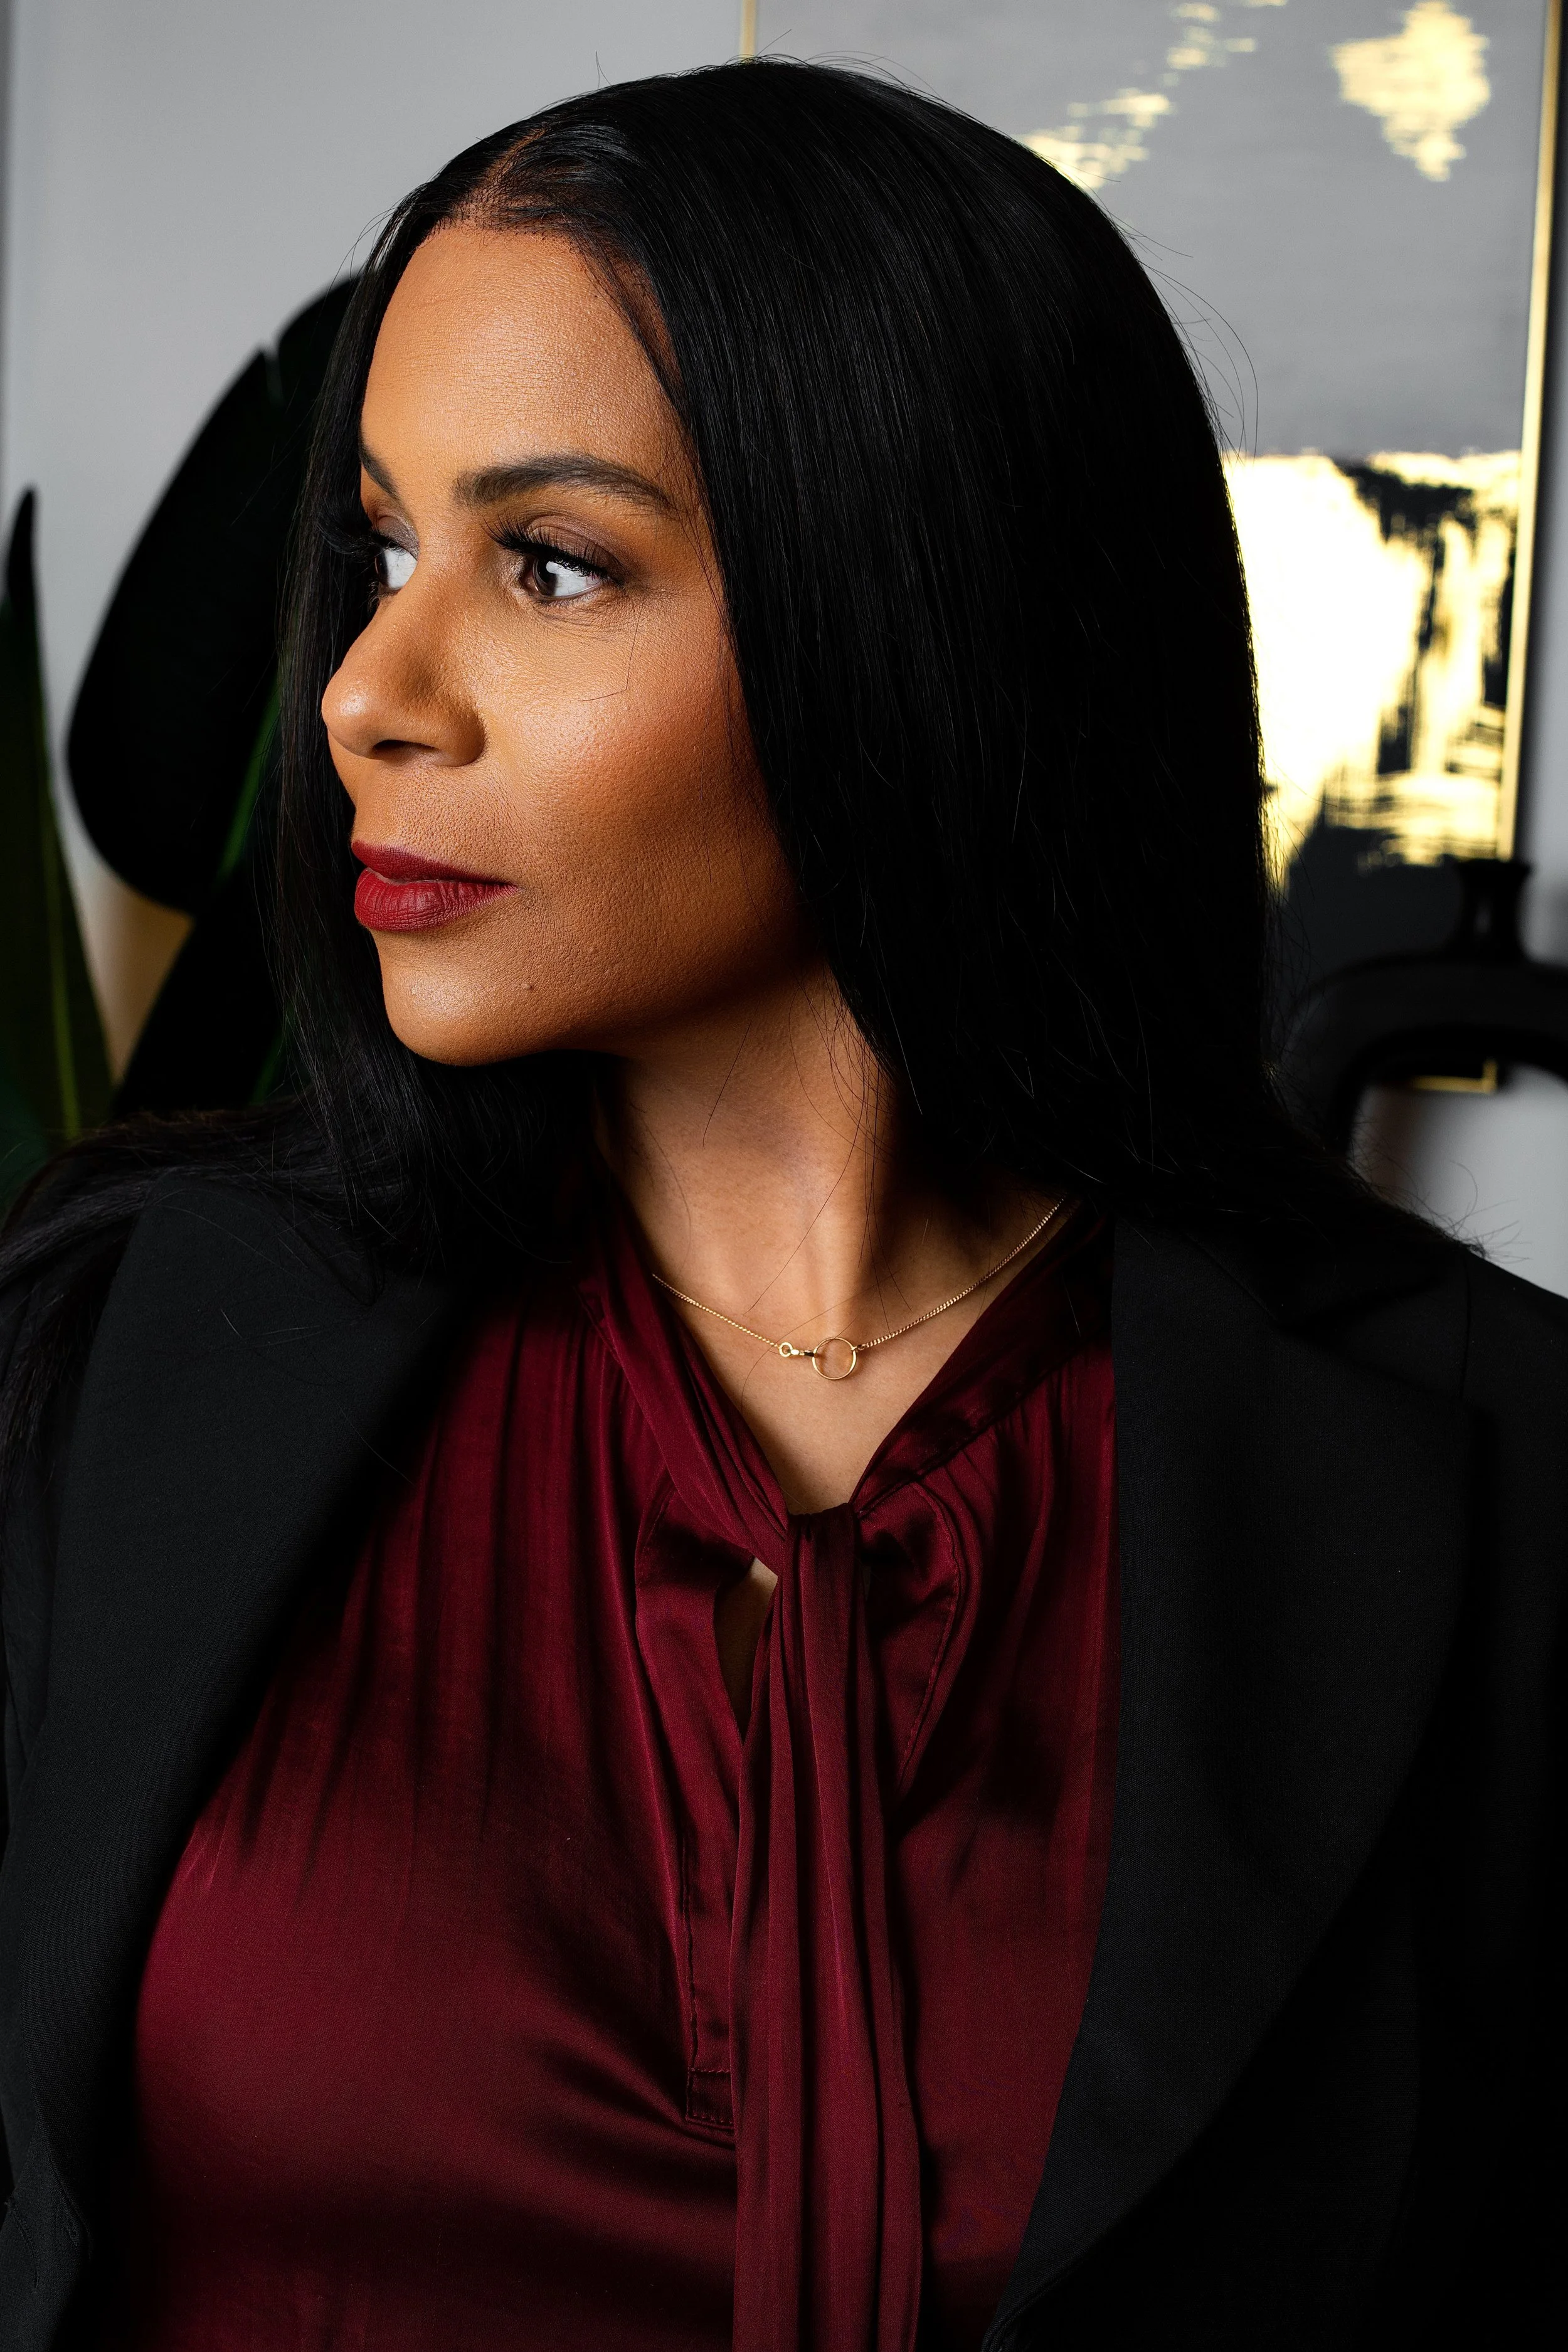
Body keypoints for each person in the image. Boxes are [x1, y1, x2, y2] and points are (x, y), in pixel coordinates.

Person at [1, 58, 1563, 2352]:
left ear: (928, 624)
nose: (361, 692)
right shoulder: (108, 1356)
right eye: (375, 548)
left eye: (548, 563)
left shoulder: (1492, 1480)